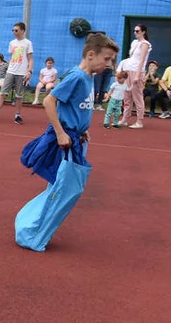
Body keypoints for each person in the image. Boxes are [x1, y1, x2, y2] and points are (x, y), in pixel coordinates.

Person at [17, 33, 119, 250]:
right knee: (65, 187)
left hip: (75, 138)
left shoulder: (88, 78)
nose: (109, 64)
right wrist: (62, 132)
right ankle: (32, 234)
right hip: (65, 140)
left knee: (63, 186)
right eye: (107, 59)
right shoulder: (76, 77)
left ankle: (34, 229)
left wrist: (81, 130)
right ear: (91, 55)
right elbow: (49, 101)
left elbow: (75, 107)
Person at [0, 21, 33, 124]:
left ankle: (17, 116)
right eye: (13, 30)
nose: (14, 32)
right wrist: (9, 67)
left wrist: (29, 71)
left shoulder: (28, 43)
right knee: (3, 93)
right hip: (11, 71)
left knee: (19, 95)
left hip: (21, 73)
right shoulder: (12, 43)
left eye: (16, 30)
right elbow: (12, 57)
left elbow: (30, 59)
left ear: (22, 30)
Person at [117, 24, 151, 127]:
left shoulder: (145, 44)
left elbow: (142, 60)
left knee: (137, 96)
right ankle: (125, 119)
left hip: (137, 71)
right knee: (127, 96)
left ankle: (139, 121)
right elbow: (131, 57)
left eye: (137, 31)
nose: (135, 33)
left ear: (143, 32)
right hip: (128, 69)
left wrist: (137, 75)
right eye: (134, 31)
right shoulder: (134, 42)